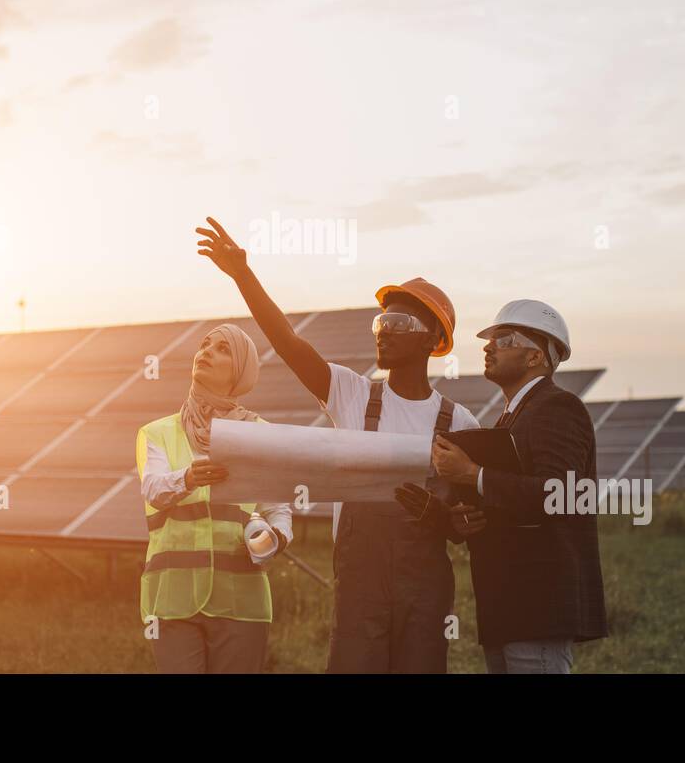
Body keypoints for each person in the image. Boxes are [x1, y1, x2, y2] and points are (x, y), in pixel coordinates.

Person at [196, 216, 480, 673]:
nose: (383, 330)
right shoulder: (353, 394)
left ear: (432, 339)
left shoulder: (458, 422)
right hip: (360, 585)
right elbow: (288, 344)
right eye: (380, 321)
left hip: (423, 591)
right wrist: (243, 275)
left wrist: (444, 517)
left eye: (398, 321)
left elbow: (468, 524)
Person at [430, 300, 608, 673]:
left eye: (504, 339)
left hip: (537, 604)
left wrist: (472, 475)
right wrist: (471, 515)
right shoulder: (514, 415)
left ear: (534, 357)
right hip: (508, 603)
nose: (488, 346)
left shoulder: (557, 407)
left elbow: (562, 495)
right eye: (491, 339)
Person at [136, 322, 293, 673]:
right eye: (205, 344)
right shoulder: (157, 433)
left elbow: (277, 507)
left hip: (242, 599)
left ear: (239, 371)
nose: (207, 352)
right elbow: (154, 490)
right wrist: (188, 478)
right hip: (172, 598)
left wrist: (278, 536)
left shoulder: (261, 434)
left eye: (223, 349)